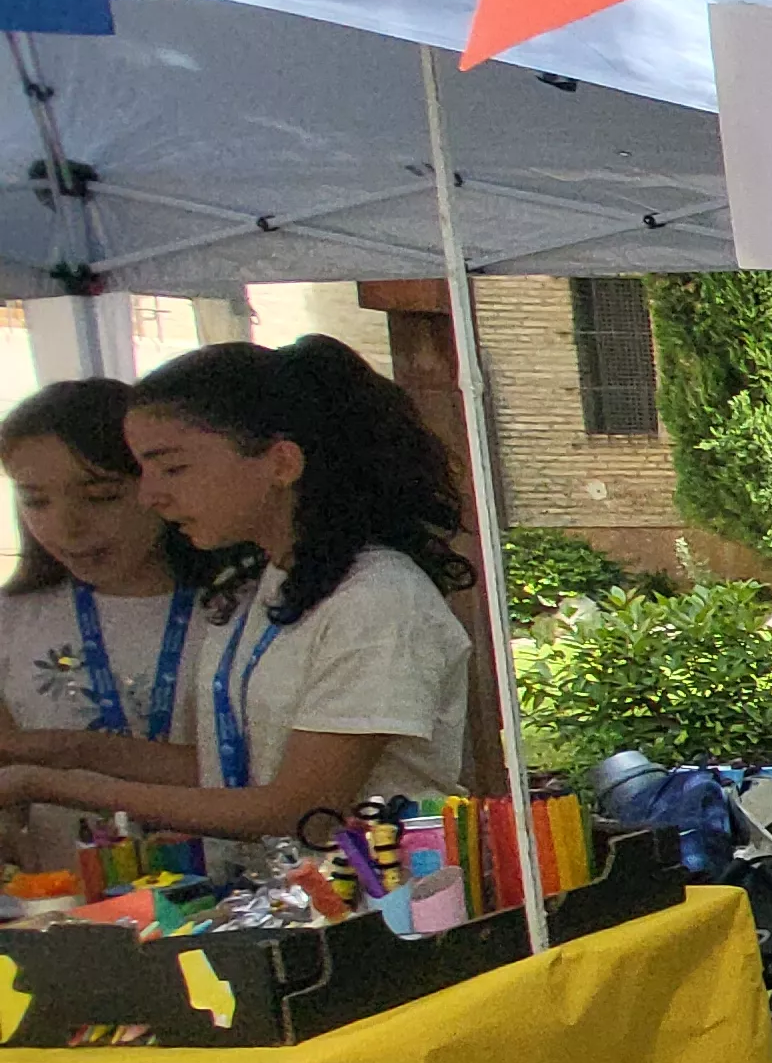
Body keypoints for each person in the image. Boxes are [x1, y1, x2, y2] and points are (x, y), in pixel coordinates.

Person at [0, 337, 477, 841]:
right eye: (144, 471)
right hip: (285, 903)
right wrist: (55, 751)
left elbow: (299, 809)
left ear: (281, 464)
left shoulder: (378, 597)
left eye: (174, 468)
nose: (151, 495)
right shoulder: (267, 582)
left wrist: (49, 782)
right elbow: (234, 770)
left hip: (383, 906)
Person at [0, 380, 204, 866]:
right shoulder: (12, 619)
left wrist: (66, 753)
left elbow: (266, 770)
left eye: (100, 497)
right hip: (66, 907)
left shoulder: (240, 607)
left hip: (243, 893)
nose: (66, 526)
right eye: (36, 501)